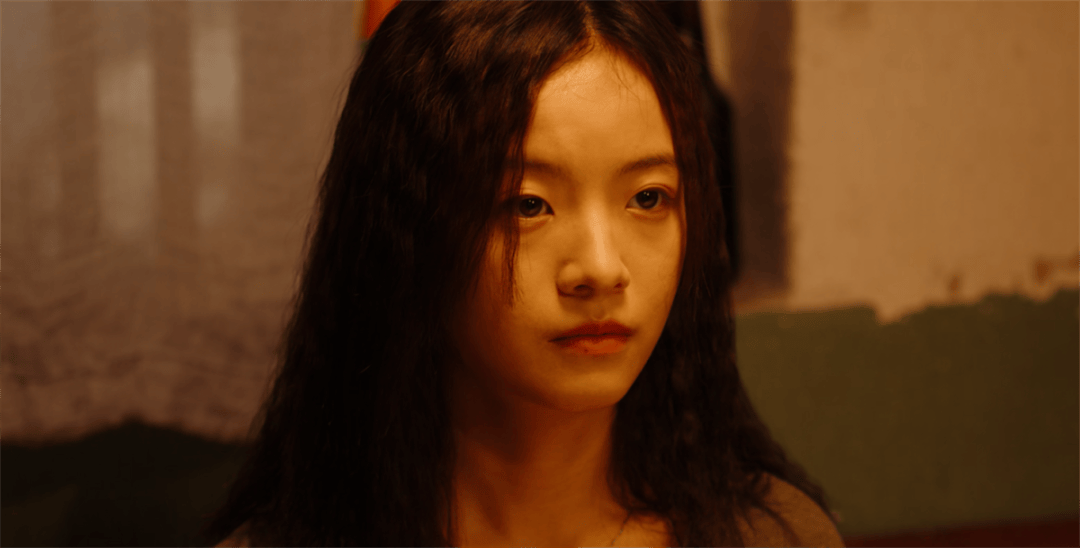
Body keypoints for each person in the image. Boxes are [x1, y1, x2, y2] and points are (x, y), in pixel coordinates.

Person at [201, 1, 845, 547]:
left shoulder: (774, 536)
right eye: (527, 205)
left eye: (648, 198)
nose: (601, 268)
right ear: (407, 231)